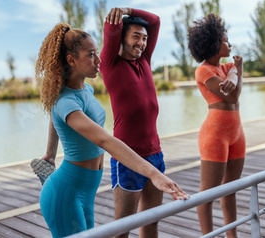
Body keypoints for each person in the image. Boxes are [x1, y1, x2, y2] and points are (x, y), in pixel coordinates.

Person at [35, 23, 188, 238]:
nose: (98, 60)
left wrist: (50, 154)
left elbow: (53, 116)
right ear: (71, 60)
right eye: (91, 55)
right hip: (65, 193)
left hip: (87, 190)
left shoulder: (85, 89)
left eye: (97, 53)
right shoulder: (65, 101)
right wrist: (154, 174)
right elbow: (105, 140)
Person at [99, 7, 165, 238]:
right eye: (135, 36)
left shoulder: (145, 60)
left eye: (145, 38)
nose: (141, 42)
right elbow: (111, 30)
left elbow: (155, 21)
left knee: (151, 223)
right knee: (123, 228)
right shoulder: (110, 65)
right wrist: (118, 16)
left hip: (155, 154)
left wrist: (129, 10)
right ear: (122, 38)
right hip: (127, 157)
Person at [187, 13, 244, 238]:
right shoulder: (203, 71)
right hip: (214, 136)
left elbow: (232, 73)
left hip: (237, 134)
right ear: (212, 43)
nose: (229, 44)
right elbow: (232, 98)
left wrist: (234, 73)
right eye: (225, 41)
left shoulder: (226, 66)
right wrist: (238, 72)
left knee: (230, 190)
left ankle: (233, 236)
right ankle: (208, 236)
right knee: (207, 193)